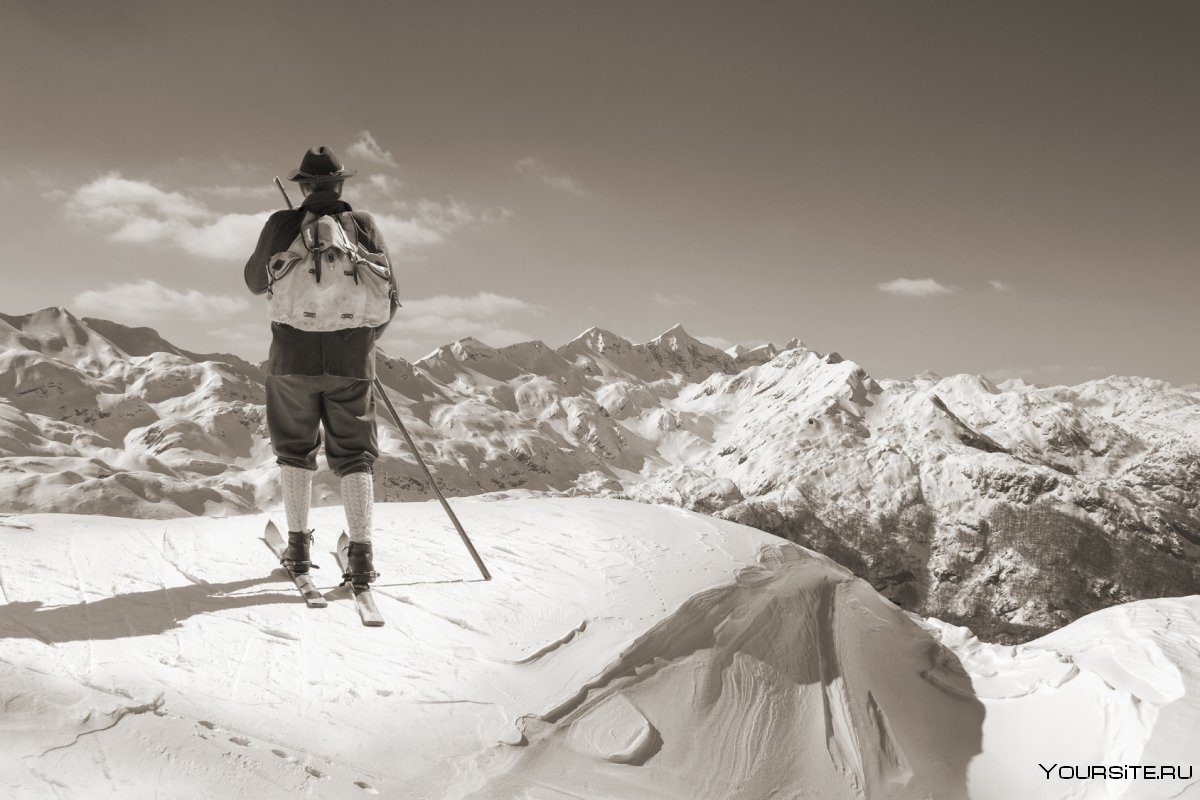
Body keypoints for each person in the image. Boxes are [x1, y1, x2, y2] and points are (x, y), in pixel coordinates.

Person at [243, 146, 398, 585]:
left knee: (295, 450)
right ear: (341, 185)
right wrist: (363, 344)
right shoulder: (363, 225)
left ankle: (296, 546)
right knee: (354, 457)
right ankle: (362, 556)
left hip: (291, 359)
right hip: (352, 362)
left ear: (304, 186)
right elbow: (391, 295)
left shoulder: (281, 224)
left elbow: (256, 282)